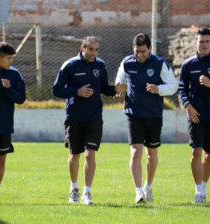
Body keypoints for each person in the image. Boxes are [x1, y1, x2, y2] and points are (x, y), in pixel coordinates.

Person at [53, 36, 127, 205]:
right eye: (91, 49)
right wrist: (76, 91)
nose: (94, 53)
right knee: (74, 155)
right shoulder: (70, 65)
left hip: (94, 116)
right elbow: (56, 90)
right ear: (82, 48)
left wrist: (115, 90)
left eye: (96, 50)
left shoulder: (100, 65)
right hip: (74, 117)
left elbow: (103, 88)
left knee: (90, 153)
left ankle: (87, 192)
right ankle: (74, 188)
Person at [115, 33, 178, 203]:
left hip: (153, 115)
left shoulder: (159, 63)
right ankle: (138, 192)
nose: (140, 55)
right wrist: (119, 91)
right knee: (136, 152)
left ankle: (148, 186)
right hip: (133, 114)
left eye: (143, 51)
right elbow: (120, 82)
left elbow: (173, 86)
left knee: (152, 154)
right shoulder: (126, 62)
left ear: (150, 49)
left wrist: (158, 89)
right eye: (137, 51)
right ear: (133, 49)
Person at [0, 42, 26, 205]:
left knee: (0, 159)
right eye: (8, 58)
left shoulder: (14, 75)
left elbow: (21, 99)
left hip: (4, 123)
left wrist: (9, 89)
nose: (11, 62)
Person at [179, 27, 210, 203]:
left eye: (207, 41)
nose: (204, 44)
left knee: (209, 156)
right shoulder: (188, 65)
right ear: (195, 43)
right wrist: (187, 106)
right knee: (196, 152)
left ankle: (204, 187)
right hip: (195, 115)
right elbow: (182, 88)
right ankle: (198, 193)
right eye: (201, 41)